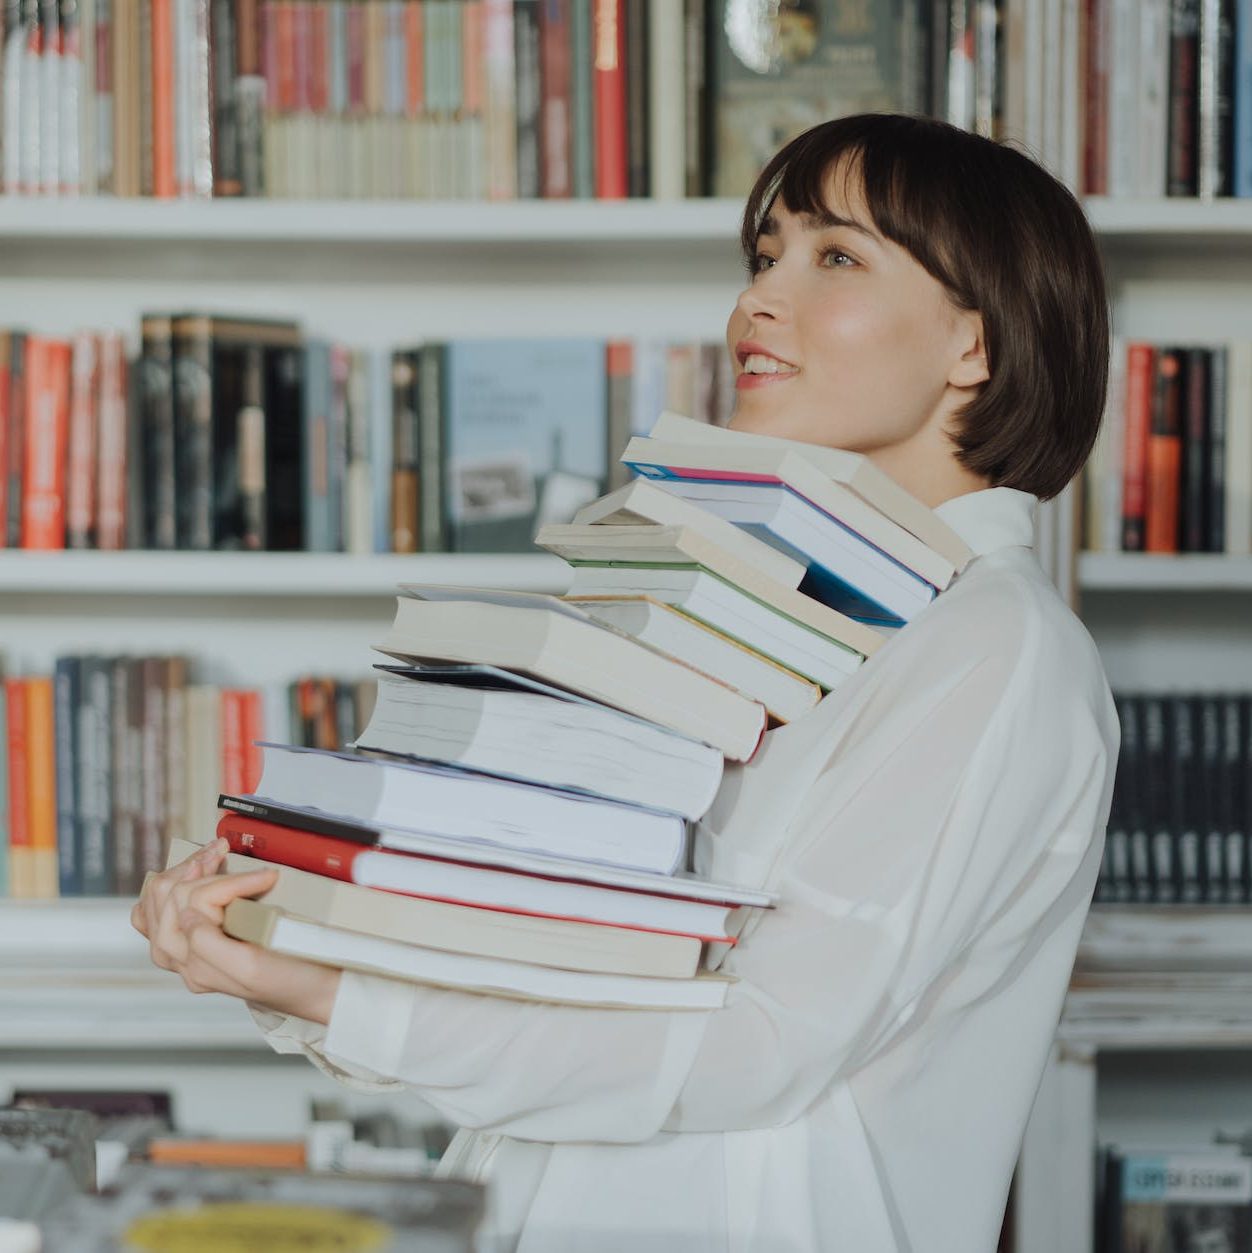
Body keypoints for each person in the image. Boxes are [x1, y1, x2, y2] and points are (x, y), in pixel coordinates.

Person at [132, 113, 1119, 1252]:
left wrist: (334, 997)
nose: (758, 301)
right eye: (764, 255)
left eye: (834, 256)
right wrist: (289, 944)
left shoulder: (996, 646)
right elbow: (590, 978)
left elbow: (758, 1045)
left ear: (976, 345)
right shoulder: (796, 611)